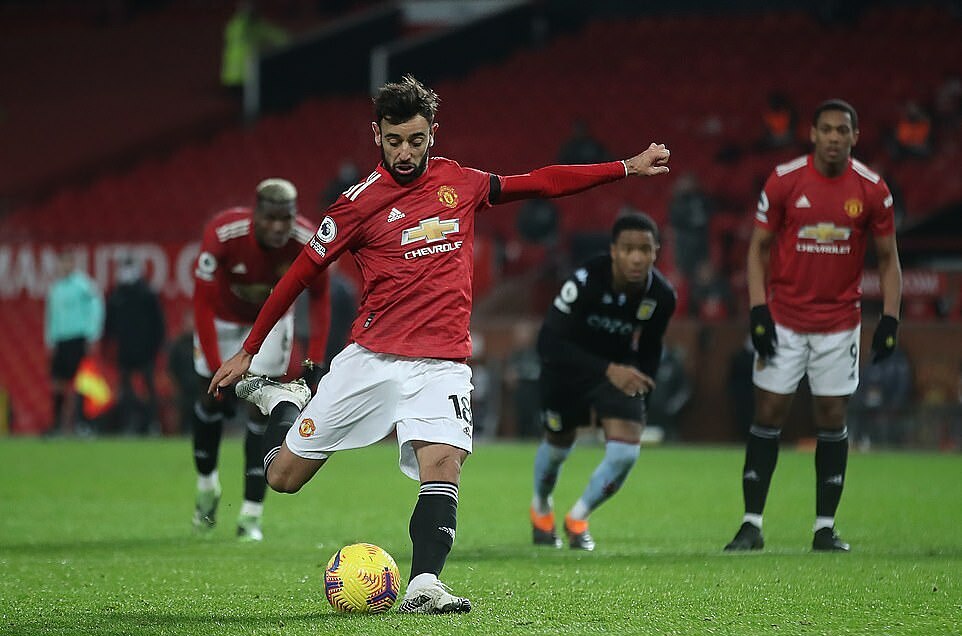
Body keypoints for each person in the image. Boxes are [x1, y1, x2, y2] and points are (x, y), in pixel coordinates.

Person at [208, 75, 670, 613]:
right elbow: (298, 275)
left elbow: (542, 182)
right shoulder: (356, 206)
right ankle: (284, 401)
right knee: (283, 478)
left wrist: (625, 167)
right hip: (371, 360)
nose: (405, 152)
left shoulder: (461, 182)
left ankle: (424, 584)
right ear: (377, 136)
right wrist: (249, 349)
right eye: (394, 141)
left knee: (444, 463)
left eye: (416, 140)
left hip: (442, 363)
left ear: (433, 133)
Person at [724, 99, 902, 553]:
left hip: (839, 324)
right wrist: (758, 311)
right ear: (813, 133)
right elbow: (757, 248)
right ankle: (750, 524)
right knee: (768, 412)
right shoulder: (785, 180)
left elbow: (888, 259)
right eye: (826, 129)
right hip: (784, 320)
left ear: (855, 136)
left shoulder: (872, 189)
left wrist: (891, 317)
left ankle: (825, 528)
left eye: (842, 130)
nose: (834, 138)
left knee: (832, 416)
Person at [191, 178, 330, 542]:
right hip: (221, 322)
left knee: (260, 412)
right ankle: (207, 485)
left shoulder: (308, 239)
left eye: (286, 218)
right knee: (210, 399)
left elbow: (321, 297)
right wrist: (215, 365)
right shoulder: (223, 234)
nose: (279, 227)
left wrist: (314, 361)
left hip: (270, 325)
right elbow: (202, 302)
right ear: (256, 214)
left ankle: (251, 514)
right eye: (271, 218)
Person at [529, 213, 676, 551]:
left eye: (645, 250)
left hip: (618, 374)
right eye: (628, 249)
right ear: (613, 251)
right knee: (557, 447)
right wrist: (608, 369)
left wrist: (643, 402)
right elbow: (548, 342)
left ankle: (578, 519)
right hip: (567, 371)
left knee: (625, 453)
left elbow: (651, 349)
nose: (636, 258)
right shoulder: (585, 281)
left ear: (656, 252)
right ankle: (541, 506)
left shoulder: (662, 296)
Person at [103, 255, 166, 435]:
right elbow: (109, 326)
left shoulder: (147, 294)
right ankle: (129, 424)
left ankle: (152, 424)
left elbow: (158, 324)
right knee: (126, 389)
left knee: (149, 387)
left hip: (146, 350)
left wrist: (156, 347)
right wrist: (110, 345)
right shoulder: (116, 296)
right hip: (125, 351)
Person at [44, 252, 104, 436]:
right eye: (62, 263)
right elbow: (51, 316)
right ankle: (57, 425)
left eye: (67, 262)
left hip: (78, 339)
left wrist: (93, 335)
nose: (64, 266)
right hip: (60, 340)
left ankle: (83, 424)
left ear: (73, 264)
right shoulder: (55, 289)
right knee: (58, 383)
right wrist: (50, 340)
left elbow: (96, 308)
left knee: (82, 383)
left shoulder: (83, 285)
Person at [220, 1, 289, 97]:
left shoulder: (258, 26)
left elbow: (280, 37)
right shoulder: (237, 26)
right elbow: (238, 31)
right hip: (235, 77)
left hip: (249, 76)